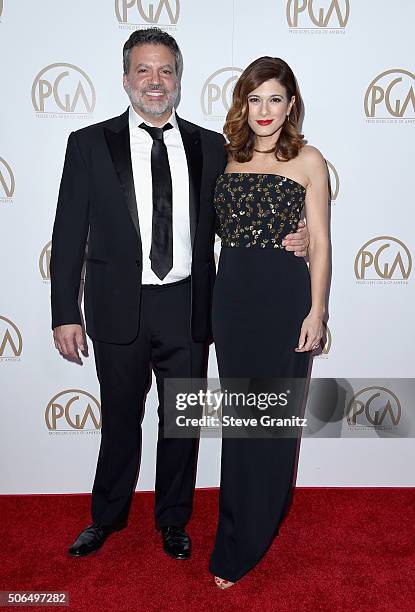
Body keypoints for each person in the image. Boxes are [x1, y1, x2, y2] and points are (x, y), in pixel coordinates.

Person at [50, 29, 310, 562]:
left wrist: (298, 231)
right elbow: (69, 233)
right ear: (125, 79)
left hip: (189, 305)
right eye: (144, 70)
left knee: (180, 424)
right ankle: (106, 517)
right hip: (116, 307)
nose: (155, 81)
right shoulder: (88, 145)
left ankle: (173, 520)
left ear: (179, 80)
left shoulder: (209, 145)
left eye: (165, 70)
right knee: (120, 417)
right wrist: (63, 314)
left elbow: (237, 218)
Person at [209, 56, 329, 588]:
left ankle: (256, 530)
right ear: (243, 103)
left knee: (275, 422)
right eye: (255, 98)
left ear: (291, 104)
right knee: (241, 423)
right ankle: (236, 528)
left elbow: (320, 242)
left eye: (275, 98)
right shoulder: (225, 157)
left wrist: (317, 311)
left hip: (284, 301)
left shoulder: (308, 159)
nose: (264, 110)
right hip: (231, 302)